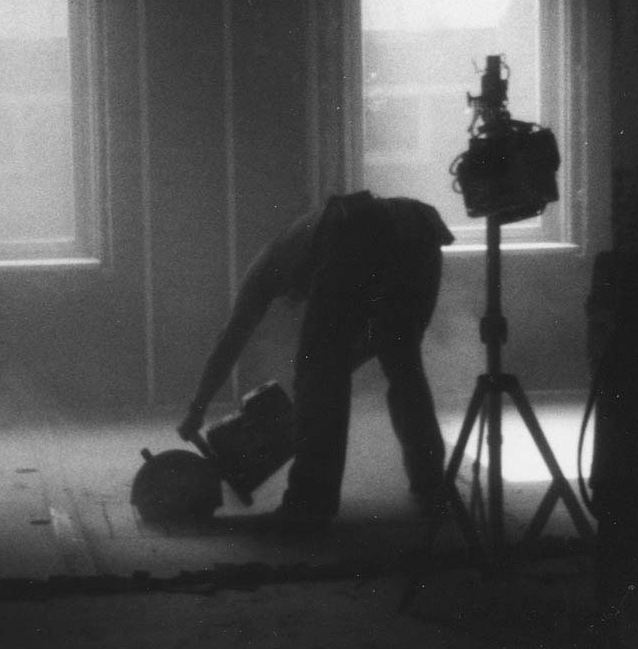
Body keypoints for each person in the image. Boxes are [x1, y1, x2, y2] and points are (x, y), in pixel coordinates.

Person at [177, 190, 454, 526]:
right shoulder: (304, 244)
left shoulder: (267, 265)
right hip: (419, 230)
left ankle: (310, 502)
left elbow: (231, 338)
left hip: (358, 228)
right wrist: (327, 380)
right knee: (403, 361)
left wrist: (197, 409)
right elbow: (369, 342)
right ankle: (430, 484)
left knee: (318, 368)